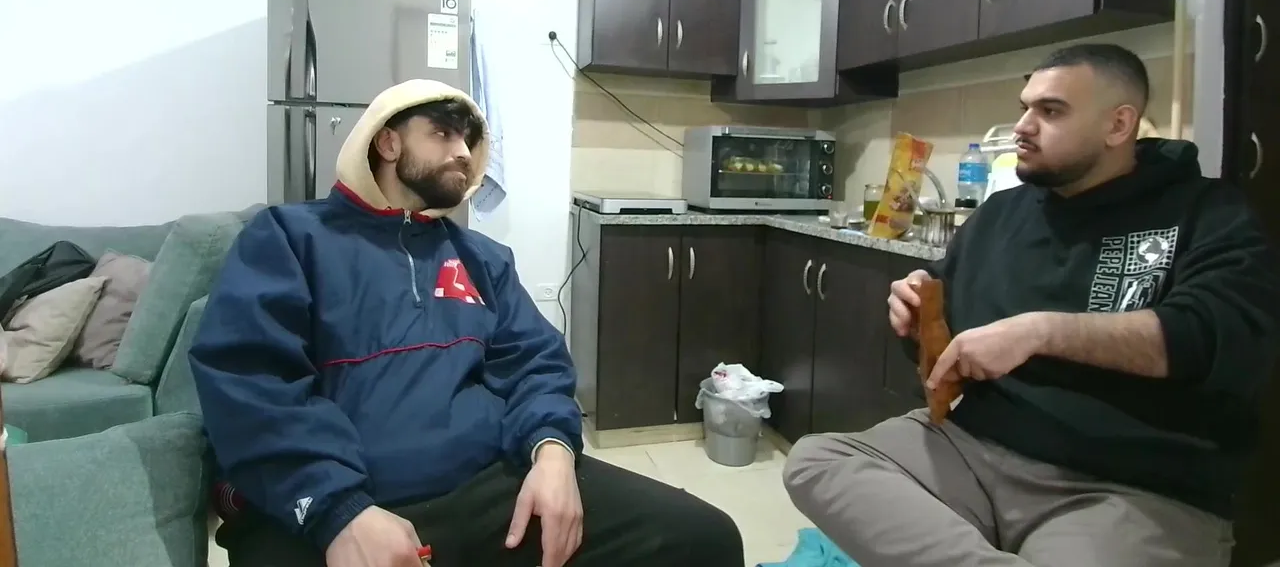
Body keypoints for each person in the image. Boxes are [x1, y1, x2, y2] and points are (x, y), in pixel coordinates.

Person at [190, 79, 744, 567]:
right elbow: (250, 382)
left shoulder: (481, 258)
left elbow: (536, 363)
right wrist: (339, 510)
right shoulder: (290, 238)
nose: (463, 152)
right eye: (442, 134)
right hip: (339, 503)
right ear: (388, 142)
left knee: (704, 538)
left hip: (489, 489)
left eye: (468, 140)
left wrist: (553, 452)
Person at [783, 44, 1280, 566]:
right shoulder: (1001, 213)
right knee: (818, 461)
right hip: (973, 447)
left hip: (1129, 485)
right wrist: (916, 314)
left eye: (1051, 111)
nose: (1022, 126)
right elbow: (950, 348)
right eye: (1025, 107)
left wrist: (1041, 332)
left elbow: (1214, 339)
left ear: (1118, 125)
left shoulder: (1208, 213)